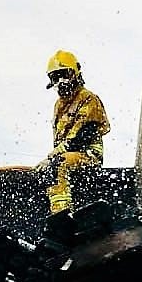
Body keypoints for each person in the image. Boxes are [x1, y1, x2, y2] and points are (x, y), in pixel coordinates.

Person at [38, 50, 110, 215]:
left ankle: (62, 215)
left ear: (75, 73)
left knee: (57, 164)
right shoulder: (58, 105)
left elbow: (80, 138)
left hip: (88, 156)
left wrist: (51, 157)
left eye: (64, 75)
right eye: (55, 78)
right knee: (49, 168)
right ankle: (55, 210)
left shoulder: (89, 99)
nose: (61, 82)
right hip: (68, 157)